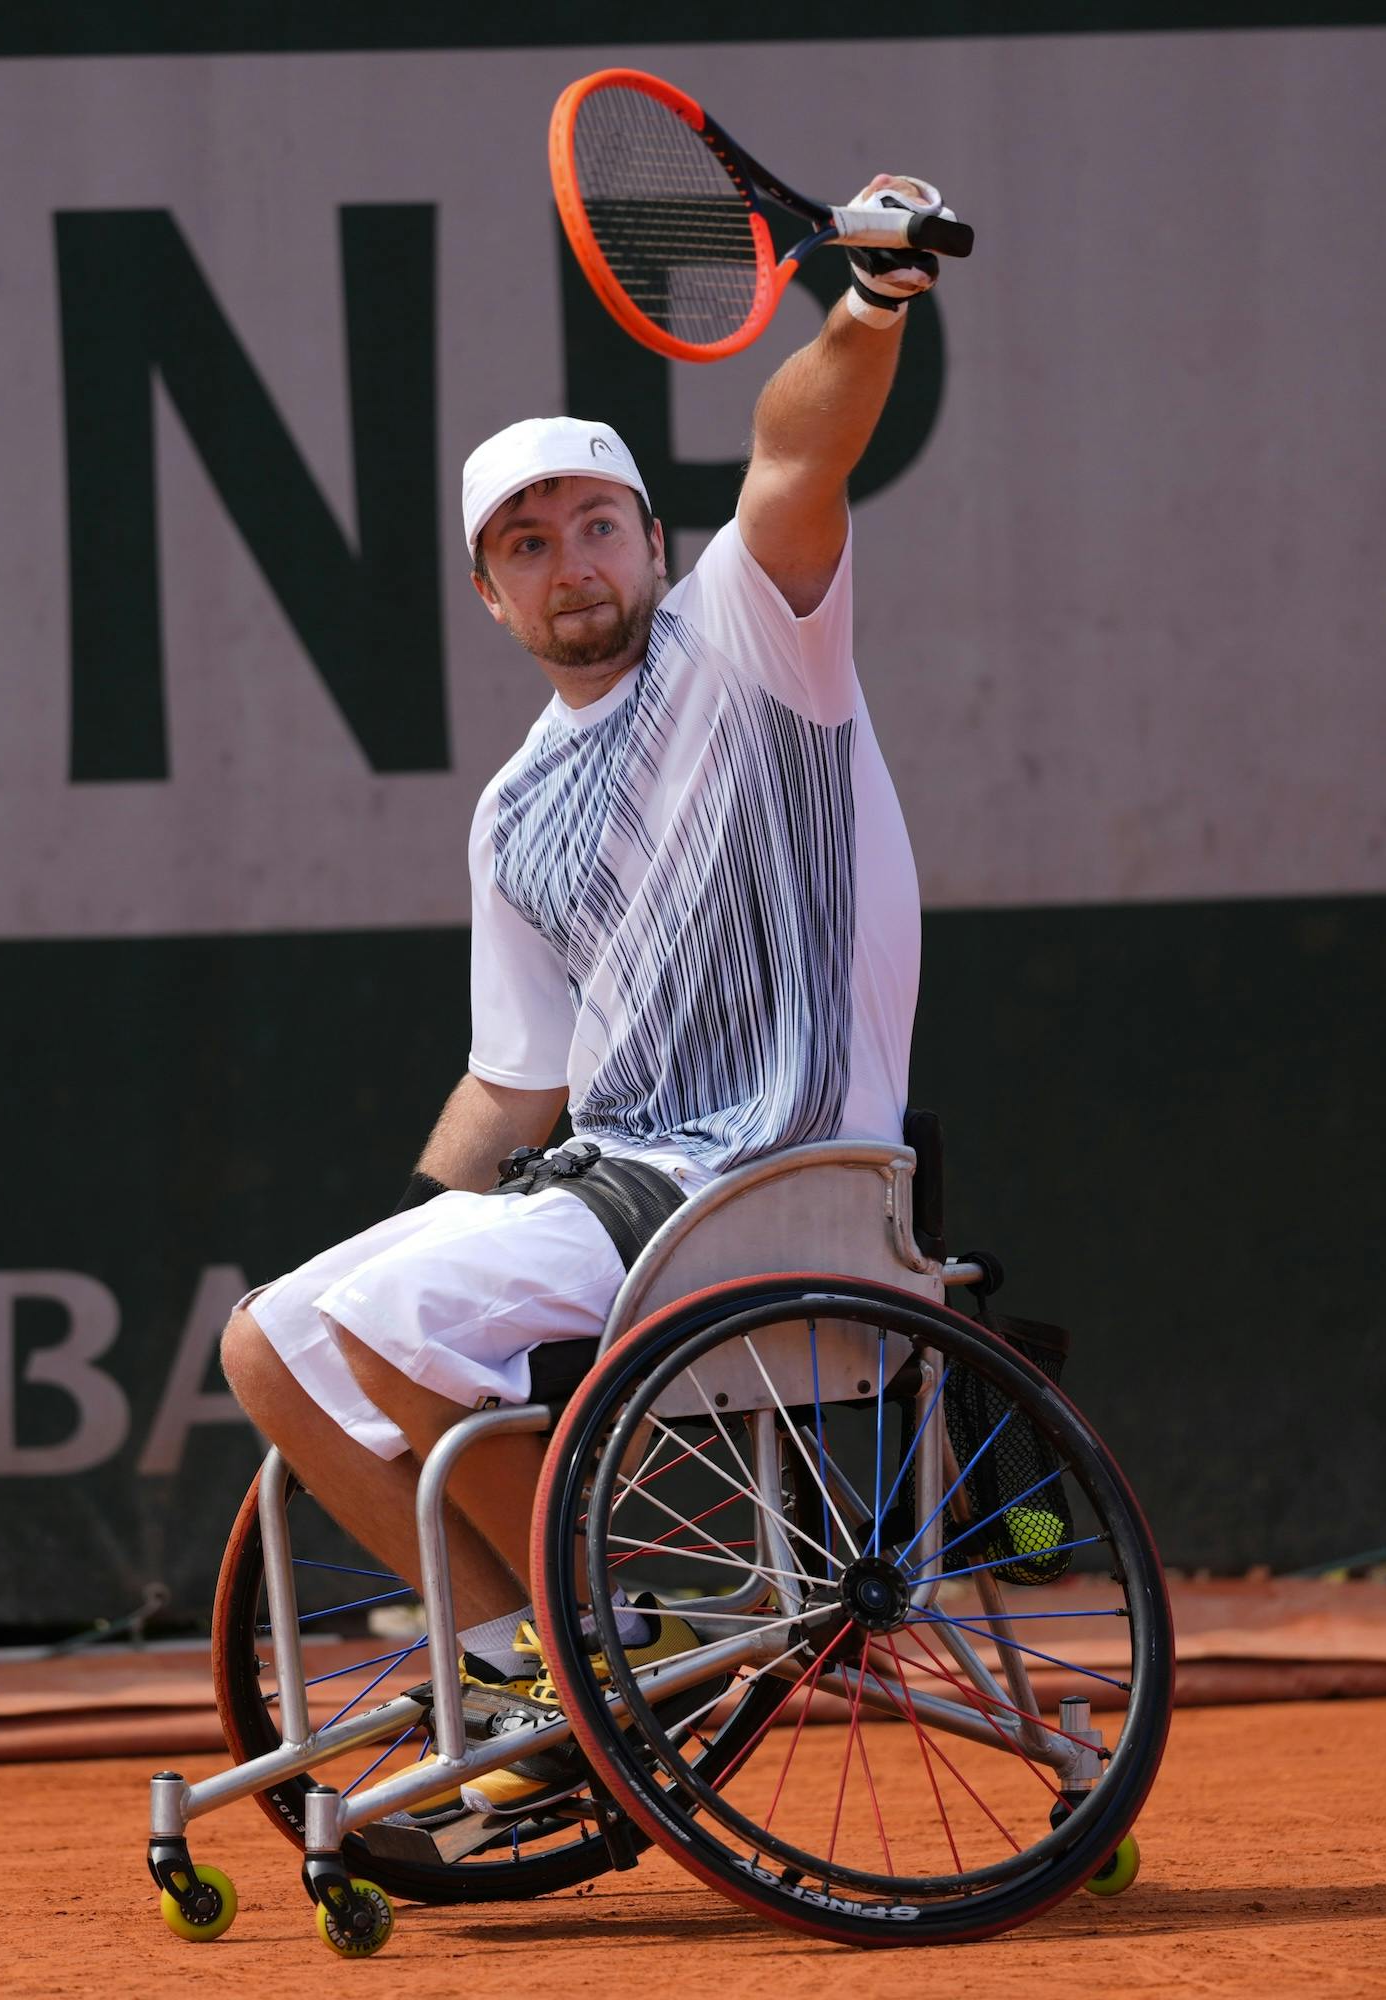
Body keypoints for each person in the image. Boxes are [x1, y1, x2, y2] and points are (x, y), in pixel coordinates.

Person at [220, 179, 944, 1813]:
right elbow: (511, 1091)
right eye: (525, 547)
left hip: (777, 1181)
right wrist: (401, 1239)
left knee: (382, 1324)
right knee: (272, 1344)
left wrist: (869, 304)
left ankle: (589, 1647)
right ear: (493, 597)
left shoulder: (752, 641)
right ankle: (521, 1670)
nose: (569, 564)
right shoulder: (512, 814)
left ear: (654, 543)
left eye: (595, 526)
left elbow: (798, 454)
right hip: (611, 1191)